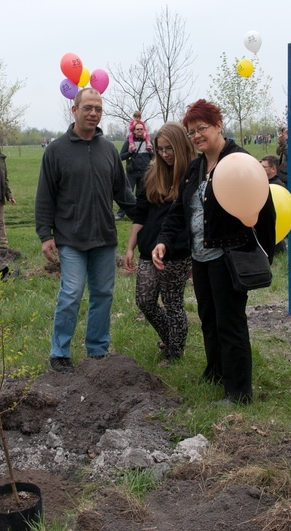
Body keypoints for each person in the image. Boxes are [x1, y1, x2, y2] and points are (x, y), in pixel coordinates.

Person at [152, 99, 276, 404]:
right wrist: (164, 239)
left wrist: (264, 256)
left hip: (229, 257)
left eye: (202, 128)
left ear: (218, 126)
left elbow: (265, 210)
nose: (196, 136)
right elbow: (180, 210)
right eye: (191, 132)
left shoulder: (239, 161)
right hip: (201, 258)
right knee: (208, 318)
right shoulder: (195, 168)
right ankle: (216, 372)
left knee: (230, 323)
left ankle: (238, 392)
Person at [35, 88, 136, 373]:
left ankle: (97, 351)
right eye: (88, 108)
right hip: (70, 237)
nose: (93, 113)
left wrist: (146, 218)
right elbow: (45, 196)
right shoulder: (56, 151)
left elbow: (123, 193)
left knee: (103, 294)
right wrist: (45, 235)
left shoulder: (109, 150)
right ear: (74, 110)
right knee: (71, 293)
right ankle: (60, 352)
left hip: (104, 236)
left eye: (98, 109)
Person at [125, 122, 195, 360]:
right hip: (149, 247)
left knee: (172, 302)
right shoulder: (152, 173)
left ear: (181, 146)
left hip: (177, 250)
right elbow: (141, 214)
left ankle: (175, 353)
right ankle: (171, 338)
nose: (164, 154)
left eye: (169, 148)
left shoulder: (192, 173)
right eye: (160, 149)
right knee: (145, 300)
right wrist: (131, 246)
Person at [116, 122, 154, 221]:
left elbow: (154, 157)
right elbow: (120, 157)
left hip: (145, 172)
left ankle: (139, 214)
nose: (140, 131)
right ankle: (120, 214)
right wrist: (129, 152)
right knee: (126, 193)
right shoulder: (129, 142)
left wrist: (150, 151)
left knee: (141, 195)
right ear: (134, 131)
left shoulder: (149, 142)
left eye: (141, 129)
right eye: (137, 129)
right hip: (131, 172)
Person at [261, 155, 287, 255]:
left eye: (264, 167)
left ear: (273, 169)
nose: (260, 169)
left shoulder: (276, 186)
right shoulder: (264, 183)